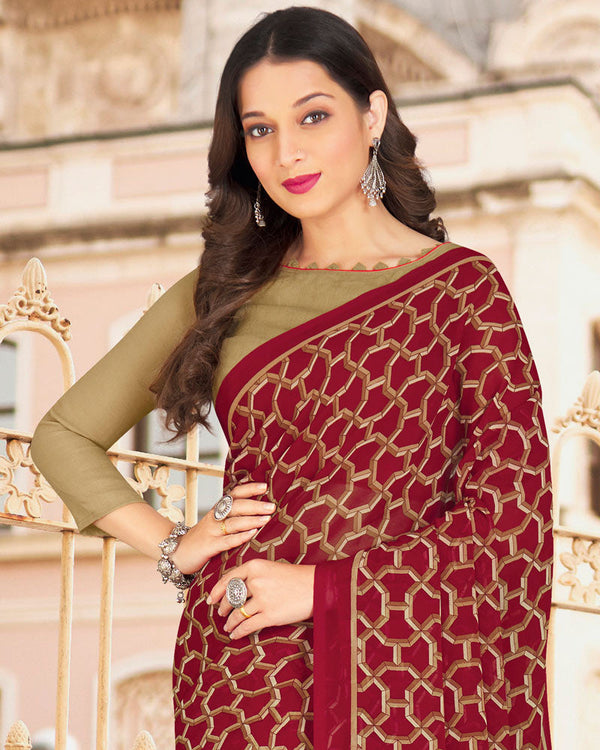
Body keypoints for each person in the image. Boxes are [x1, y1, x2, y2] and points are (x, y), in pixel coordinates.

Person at [30, 6, 554, 749]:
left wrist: (324, 588)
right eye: (259, 129)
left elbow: (512, 523)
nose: (286, 153)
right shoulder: (222, 290)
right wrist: (174, 543)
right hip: (247, 671)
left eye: (313, 116)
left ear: (373, 115)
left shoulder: (463, 292)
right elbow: (63, 435)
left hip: (411, 683)